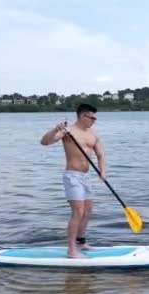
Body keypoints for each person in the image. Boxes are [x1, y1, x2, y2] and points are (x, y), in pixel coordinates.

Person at [40, 103, 106, 258]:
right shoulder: (68, 131)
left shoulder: (93, 133)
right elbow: (45, 142)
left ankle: (80, 242)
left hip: (86, 176)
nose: (94, 121)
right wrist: (55, 130)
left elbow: (101, 154)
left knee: (88, 210)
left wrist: (103, 171)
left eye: (95, 118)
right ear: (82, 116)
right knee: (78, 211)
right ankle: (71, 250)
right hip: (72, 176)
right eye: (92, 118)